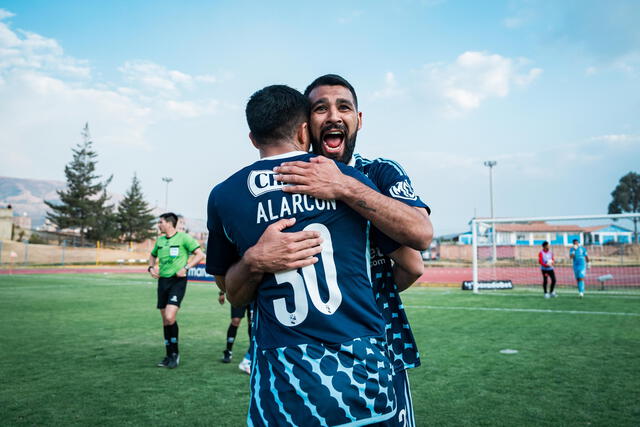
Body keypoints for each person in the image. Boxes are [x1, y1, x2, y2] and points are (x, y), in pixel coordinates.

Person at [207, 84, 418, 425]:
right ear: (305, 129)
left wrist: (252, 262)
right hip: (361, 374)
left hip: (281, 385)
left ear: (252, 138)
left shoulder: (224, 196)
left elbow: (232, 292)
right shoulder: (352, 178)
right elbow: (414, 262)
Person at [148, 212, 204, 369]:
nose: (159, 225)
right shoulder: (159, 240)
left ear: (169, 223)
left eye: (160, 222)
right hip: (163, 282)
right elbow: (152, 256)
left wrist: (186, 268)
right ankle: (168, 354)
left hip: (177, 281)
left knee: (170, 315)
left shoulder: (184, 238)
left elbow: (200, 255)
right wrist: (151, 267)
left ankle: (175, 354)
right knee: (165, 320)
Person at [218, 290, 252, 374]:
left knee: (252, 322)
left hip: (254, 295)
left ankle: (252, 353)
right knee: (235, 321)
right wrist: (222, 293)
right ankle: (228, 351)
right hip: (239, 293)